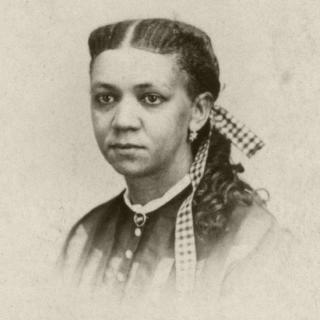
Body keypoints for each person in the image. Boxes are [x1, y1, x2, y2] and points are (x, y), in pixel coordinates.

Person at [60, 18, 300, 319]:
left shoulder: (251, 240)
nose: (122, 121)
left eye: (151, 98)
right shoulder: (84, 236)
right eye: (105, 98)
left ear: (198, 111)